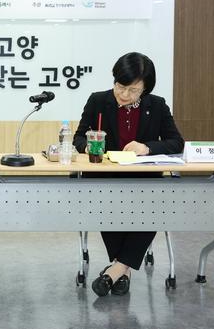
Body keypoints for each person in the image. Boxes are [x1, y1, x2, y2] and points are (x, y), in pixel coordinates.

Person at [73, 52, 184, 297]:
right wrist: (90, 146)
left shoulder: (157, 105)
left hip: (144, 180)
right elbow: (78, 137)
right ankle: (123, 269)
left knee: (153, 206)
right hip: (104, 178)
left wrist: (147, 148)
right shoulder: (98, 101)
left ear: (145, 89)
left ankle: (116, 269)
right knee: (106, 201)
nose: (124, 94)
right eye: (120, 86)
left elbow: (176, 142)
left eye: (133, 90)